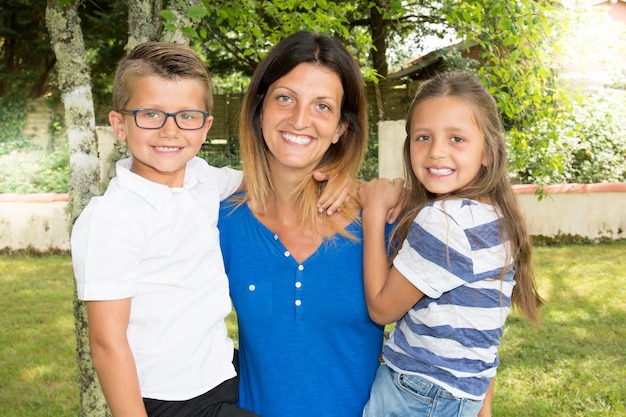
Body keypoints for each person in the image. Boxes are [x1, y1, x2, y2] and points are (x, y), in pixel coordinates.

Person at [218, 31, 392, 417]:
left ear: (341, 129)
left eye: (322, 107)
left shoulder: (379, 220)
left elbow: (459, 329)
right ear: (260, 107)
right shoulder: (221, 224)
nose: (299, 120)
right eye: (285, 98)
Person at [358, 71, 544, 417]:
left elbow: (382, 309)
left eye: (456, 138)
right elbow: (480, 336)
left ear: (488, 152)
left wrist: (373, 212)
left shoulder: (444, 221)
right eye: (423, 137)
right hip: (463, 396)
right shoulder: (498, 219)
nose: (436, 152)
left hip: (415, 393)